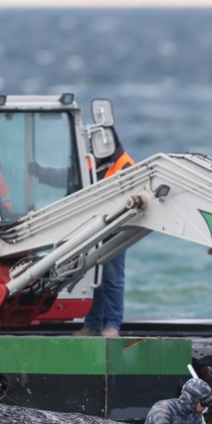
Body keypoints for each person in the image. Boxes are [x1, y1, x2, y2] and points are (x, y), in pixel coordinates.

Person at [75, 126, 135, 338]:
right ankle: (92, 325)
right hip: (94, 228)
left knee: (112, 279)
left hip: (115, 229)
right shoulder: (91, 162)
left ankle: (112, 325)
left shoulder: (125, 165)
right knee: (94, 279)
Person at [144, 377, 212, 424]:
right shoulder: (162, 409)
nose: (205, 407)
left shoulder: (195, 415)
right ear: (192, 401)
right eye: (204, 403)